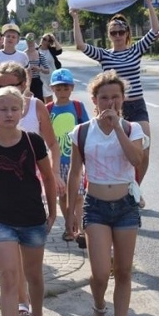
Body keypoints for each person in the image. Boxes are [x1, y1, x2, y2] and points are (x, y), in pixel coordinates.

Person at [0, 61, 63, 316]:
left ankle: (34, 306)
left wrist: (53, 175)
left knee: (28, 255)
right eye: (0, 85)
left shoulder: (35, 107)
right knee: (9, 256)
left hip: (31, 183)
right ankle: (20, 300)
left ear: (23, 86)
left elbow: (52, 143)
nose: (6, 90)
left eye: (12, 85)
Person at [65, 70, 145, 316]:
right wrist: (69, 212)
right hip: (96, 206)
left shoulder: (133, 129)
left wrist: (119, 127)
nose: (109, 102)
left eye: (115, 97)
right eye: (103, 97)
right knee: (100, 272)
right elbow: (75, 173)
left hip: (125, 206)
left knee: (123, 271)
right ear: (94, 100)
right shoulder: (82, 131)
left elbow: (136, 160)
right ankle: (99, 307)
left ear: (122, 99)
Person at [70, 0, 159, 206]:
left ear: (127, 33)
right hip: (113, 107)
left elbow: (155, 30)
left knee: (144, 151)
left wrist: (149, 3)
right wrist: (76, 18)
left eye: (121, 32)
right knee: (115, 150)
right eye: (113, 32)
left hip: (136, 105)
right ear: (109, 35)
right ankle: (112, 187)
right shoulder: (104, 55)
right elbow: (81, 45)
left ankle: (134, 187)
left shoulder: (135, 50)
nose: (117, 35)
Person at [46, 68, 89, 244]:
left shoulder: (78, 107)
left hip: (75, 161)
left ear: (72, 88)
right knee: (63, 196)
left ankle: (79, 229)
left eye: (65, 88)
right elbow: (44, 134)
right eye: (58, 89)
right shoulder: (48, 109)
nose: (62, 92)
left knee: (78, 196)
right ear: (52, 89)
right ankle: (68, 227)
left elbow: (86, 129)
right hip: (57, 162)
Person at [25, 35, 49, 102]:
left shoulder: (40, 55)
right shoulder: (23, 55)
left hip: (37, 82)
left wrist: (39, 69)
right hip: (25, 82)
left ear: (34, 41)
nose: (30, 42)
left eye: (32, 40)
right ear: (26, 41)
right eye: (28, 41)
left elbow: (47, 70)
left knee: (38, 101)